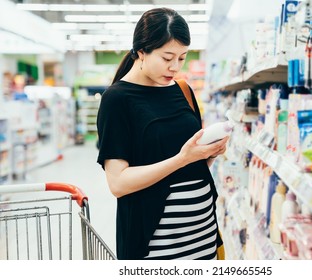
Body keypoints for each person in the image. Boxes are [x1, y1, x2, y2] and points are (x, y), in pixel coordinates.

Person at [96, 8, 229, 260]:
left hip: (202, 232)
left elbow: (190, 163)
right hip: (158, 243)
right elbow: (118, 183)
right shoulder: (117, 100)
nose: (175, 67)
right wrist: (183, 158)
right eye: (167, 57)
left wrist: (207, 154)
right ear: (141, 51)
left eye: (182, 57)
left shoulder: (183, 90)